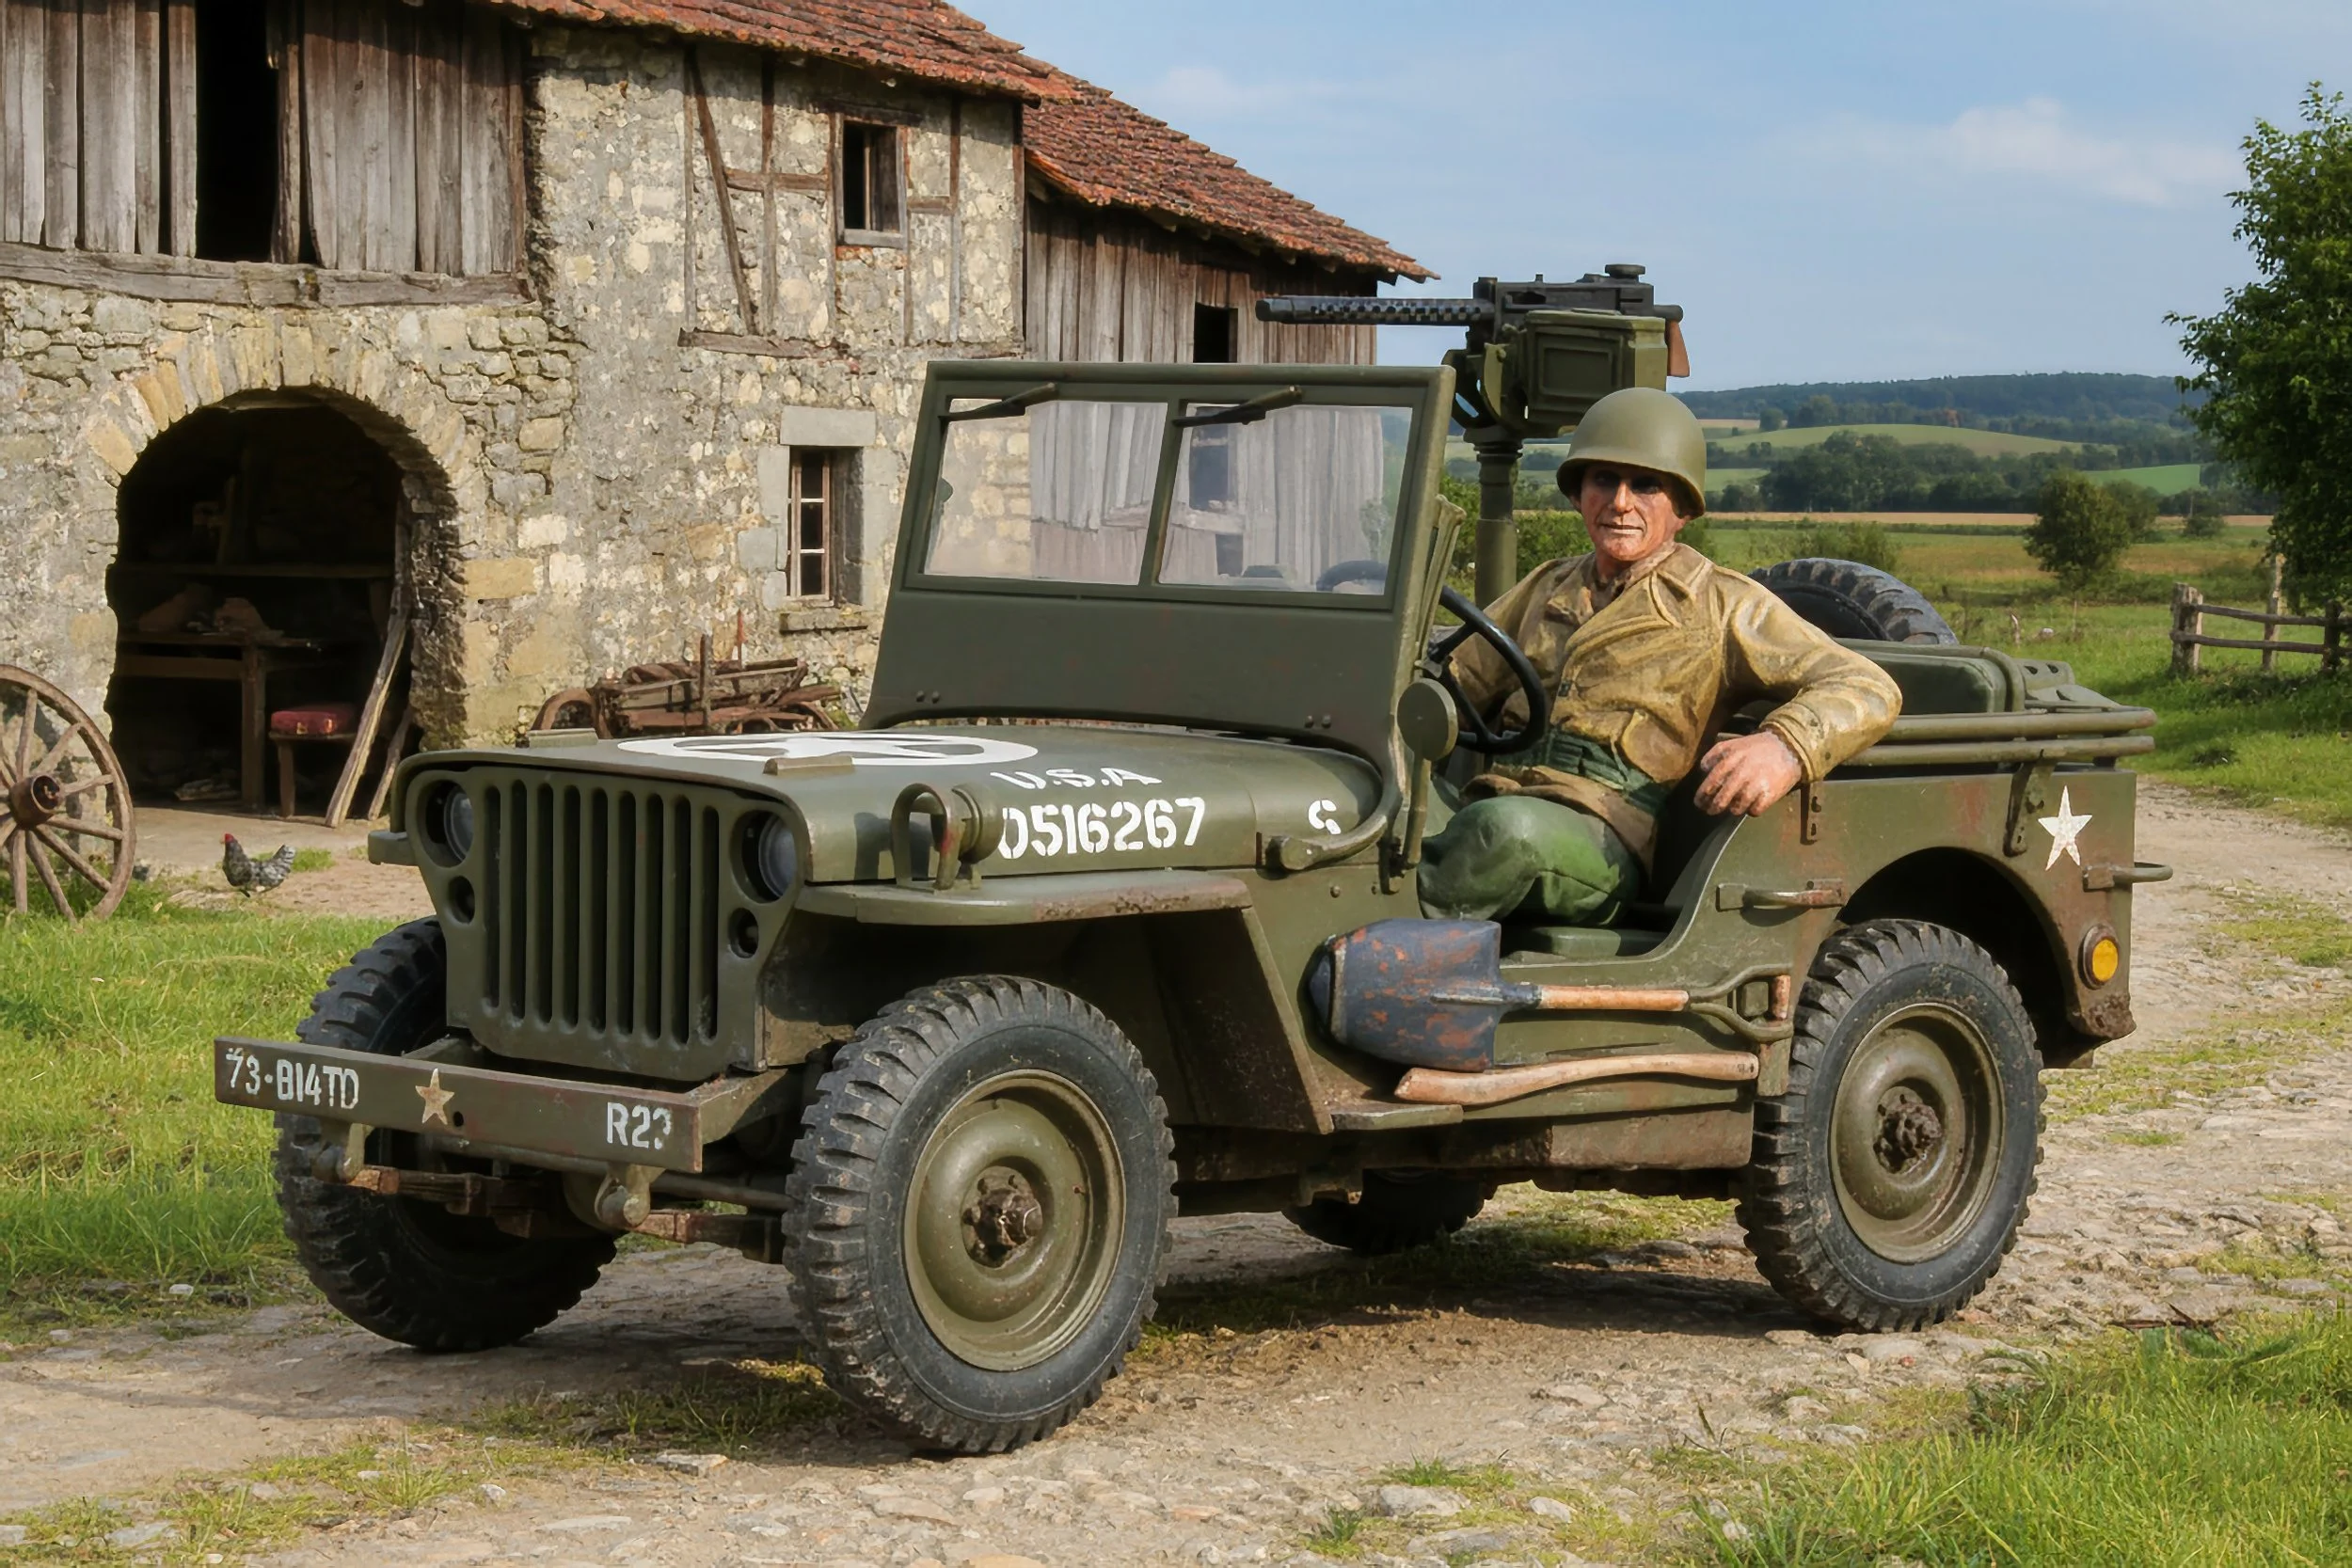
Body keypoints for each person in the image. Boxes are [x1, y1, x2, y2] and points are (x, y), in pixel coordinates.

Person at [1419, 386, 1902, 926]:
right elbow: (1455, 684)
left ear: (1682, 509)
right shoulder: (1546, 586)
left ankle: (1374, 969)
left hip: (1599, 833)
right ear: (1579, 493)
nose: (1621, 503)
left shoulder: (1722, 604)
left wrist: (1785, 747)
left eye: (1645, 485)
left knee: (1502, 836)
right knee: (1368, 815)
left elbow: (1866, 685)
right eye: (1604, 480)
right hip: (1495, 791)